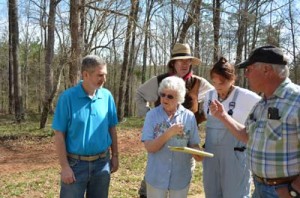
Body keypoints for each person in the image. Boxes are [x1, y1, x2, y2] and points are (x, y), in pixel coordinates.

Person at [209, 45, 300, 198]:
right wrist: (223, 116)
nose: (245, 75)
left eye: (249, 69)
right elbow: (247, 136)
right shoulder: (262, 103)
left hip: (285, 191)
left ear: (266, 70)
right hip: (259, 188)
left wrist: (294, 190)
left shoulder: (296, 100)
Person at [136, 43, 213, 198]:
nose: (184, 64)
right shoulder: (159, 81)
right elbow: (139, 94)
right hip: (160, 145)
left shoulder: (199, 83)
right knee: (153, 187)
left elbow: (215, 98)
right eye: (180, 60)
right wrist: (150, 116)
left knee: (180, 183)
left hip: (186, 143)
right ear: (173, 63)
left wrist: (202, 117)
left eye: (188, 61)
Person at [52, 55, 119, 198]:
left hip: (102, 164)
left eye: (105, 75)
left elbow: (112, 128)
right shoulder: (67, 98)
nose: (104, 79)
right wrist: (65, 167)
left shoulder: (107, 96)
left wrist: (115, 156)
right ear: (86, 74)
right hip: (75, 165)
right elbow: (59, 135)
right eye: (100, 75)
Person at [202, 57, 260, 198]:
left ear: (233, 80)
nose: (217, 87)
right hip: (211, 157)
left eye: (222, 82)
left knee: (235, 194)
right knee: (212, 193)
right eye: (214, 82)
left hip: (235, 157)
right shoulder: (208, 96)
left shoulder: (248, 97)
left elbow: (261, 120)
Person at [142, 76, 203, 198]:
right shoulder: (152, 116)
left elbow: (194, 144)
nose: (165, 98)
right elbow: (150, 147)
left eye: (170, 96)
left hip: (180, 177)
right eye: (163, 94)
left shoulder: (189, 117)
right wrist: (169, 133)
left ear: (179, 98)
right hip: (157, 177)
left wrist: (198, 153)